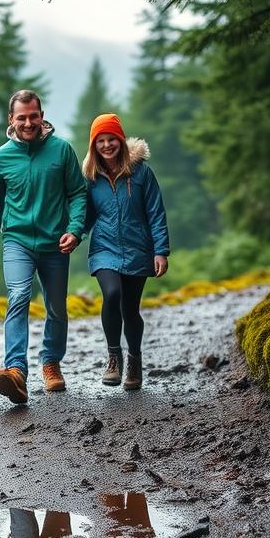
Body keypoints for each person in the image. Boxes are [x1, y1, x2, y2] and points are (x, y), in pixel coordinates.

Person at [0, 90, 87, 405]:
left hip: (55, 242)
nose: (28, 123)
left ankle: (51, 362)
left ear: (41, 116)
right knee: (18, 295)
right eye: (21, 118)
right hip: (16, 241)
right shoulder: (0, 157)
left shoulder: (61, 150)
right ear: (11, 120)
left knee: (55, 305)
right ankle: (15, 371)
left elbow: (79, 194)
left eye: (33, 116)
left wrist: (75, 230)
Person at [82, 113, 170, 390]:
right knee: (112, 293)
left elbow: (156, 212)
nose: (107, 145)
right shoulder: (91, 177)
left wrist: (161, 250)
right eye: (101, 141)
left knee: (130, 309)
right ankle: (113, 356)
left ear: (120, 140)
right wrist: (73, 233)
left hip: (137, 248)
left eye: (111, 139)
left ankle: (134, 359)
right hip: (104, 247)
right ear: (94, 145)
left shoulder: (142, 172)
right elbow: (85, 215)